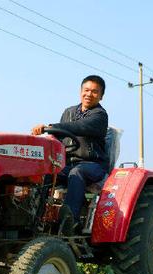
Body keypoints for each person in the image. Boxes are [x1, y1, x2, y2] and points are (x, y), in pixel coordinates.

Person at [32, 75, 109, 231]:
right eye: (86, 90)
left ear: (101, 96)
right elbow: (58, 135)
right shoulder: (69, 112)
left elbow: (79, 126)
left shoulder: (100, 115)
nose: (89, 94)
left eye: (94, 92)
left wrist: (51, 126)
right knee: (47, 172)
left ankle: (70, 221)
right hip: (69, 163)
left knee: (77, 172)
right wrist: (44, 132)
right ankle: (36, 217)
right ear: (81, 91)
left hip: (93, 165)